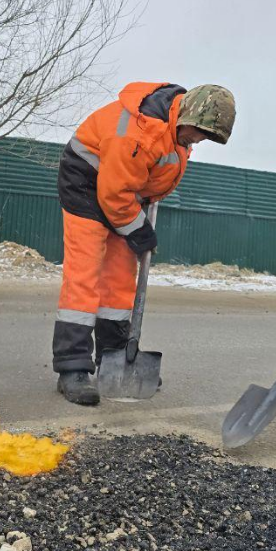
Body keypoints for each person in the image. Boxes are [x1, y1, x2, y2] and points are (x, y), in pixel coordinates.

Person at [53, 82, 236, 405]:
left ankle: (116, 356)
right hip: (85, 185)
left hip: (123, 194)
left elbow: (139, 181)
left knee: (121, 279)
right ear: (186, 114)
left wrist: (139, 217)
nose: (198, 139)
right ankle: (72, 368)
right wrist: (139, 231)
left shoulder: (177, 129)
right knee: (84, 276)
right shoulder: (139, 133)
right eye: (198, 132)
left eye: (206, 135)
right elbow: (113, 194)